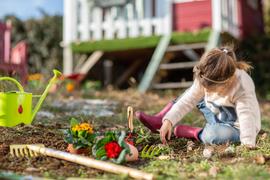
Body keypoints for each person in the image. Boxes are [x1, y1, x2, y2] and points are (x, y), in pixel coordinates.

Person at [136, 46, 261, 148]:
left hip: (237, 127)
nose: (206, 90)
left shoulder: (242, 84)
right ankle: (162, 118)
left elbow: (246, 116)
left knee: (212, 135)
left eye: (211, 89)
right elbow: (187, 101)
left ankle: (195, 132)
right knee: (192, 93)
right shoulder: (205, 74)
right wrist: (169, 120)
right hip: (216, 115)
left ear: (226, 82)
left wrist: (248, 142)